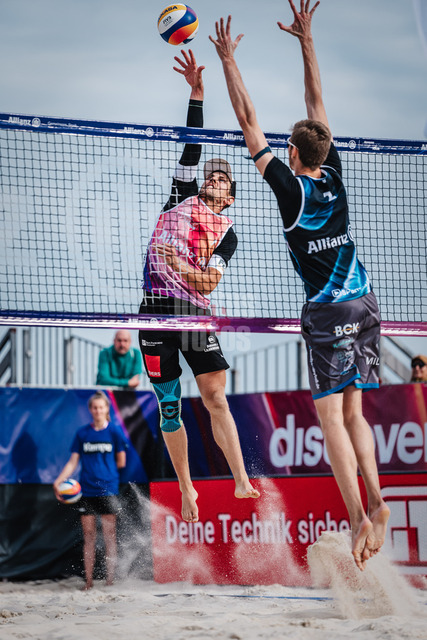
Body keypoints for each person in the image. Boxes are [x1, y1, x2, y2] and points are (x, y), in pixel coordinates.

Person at [210, 1, 389, 571]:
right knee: (356, 414)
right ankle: (378, 500)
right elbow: (316, 104)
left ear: (293, 153)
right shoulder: (333, 172)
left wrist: (228, 60)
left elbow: (247, 119)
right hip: (365, 303)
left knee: (332, 419)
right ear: (322, 150)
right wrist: (307, 41)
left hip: (330, 313)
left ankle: (359, 517)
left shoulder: (291, 190)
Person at [138, 49, 260, 524]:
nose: (215, 178)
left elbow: (209, 280)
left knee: (214, 398)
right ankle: (186, 489)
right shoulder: (180, 196)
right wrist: (197, 94)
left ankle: (240, 478)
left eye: (224, 179)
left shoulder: (227, 232)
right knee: (169, 406)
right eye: (213, 174)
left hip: (192, 313)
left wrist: (180, 267)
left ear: (229, 198)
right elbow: (191, 145)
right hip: (153, 311)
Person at [53, 391, 127, 590]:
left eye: (101, 407)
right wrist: (59, 481)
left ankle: (110, 580)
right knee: (89, 537)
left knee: (110, 536)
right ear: (90, 410)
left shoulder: (114, 431)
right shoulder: (83, 433)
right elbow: (73, 462)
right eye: (94, 407)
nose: (98, 410)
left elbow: (121, 461)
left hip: (108, 489)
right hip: (87, 491)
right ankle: (89, 582)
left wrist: (104, 472)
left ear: (106, 409)